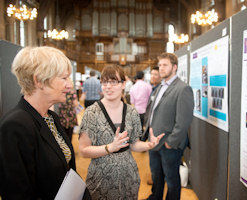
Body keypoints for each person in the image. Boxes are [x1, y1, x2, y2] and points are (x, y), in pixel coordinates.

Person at [0, 46, 90, 199]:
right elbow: (17, 193)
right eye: (64, 78)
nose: (70, 85)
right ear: (39, 81)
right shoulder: (15, 126)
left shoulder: (51, 117)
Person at [78, 65, 164, 200]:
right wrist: (109, 148)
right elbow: (83, 150)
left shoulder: (131, 112)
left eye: (113, 82)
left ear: (124, 84)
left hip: (128, 177)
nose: (108, 87)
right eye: (104, 82)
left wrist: (148, 145)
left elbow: (134, 144)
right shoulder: (91, 113)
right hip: (101, 178)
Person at [144, 53, 194, 200]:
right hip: (154, 142)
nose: (161, 68)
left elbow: (184, 121)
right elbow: (153, 111)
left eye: (165, 65)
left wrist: (170, 143)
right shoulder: (160, 87)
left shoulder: (183, 89)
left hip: (169, 145)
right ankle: (156, 197)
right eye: (160, 65)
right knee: (156, 176)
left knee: (172, 180)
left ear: (174, 67)